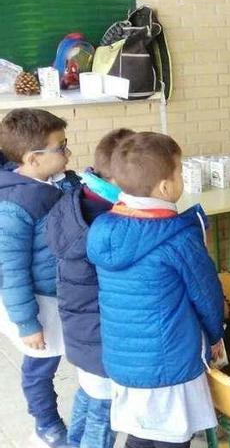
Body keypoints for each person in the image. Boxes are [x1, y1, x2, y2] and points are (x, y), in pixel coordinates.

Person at [87, 132, 225, 448]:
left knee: (140, 433)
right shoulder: (178, 238)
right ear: (165, 186)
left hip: (125, 361)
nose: (181, 179)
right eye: (179, 172)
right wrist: (216, 334)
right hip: (170, 363)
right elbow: (206, 296)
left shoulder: (104, 228)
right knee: (172, 438)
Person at [47, 128, 135, 448]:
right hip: (102, 336)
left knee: (88, 395)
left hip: (81, 330)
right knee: (103, 413)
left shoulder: (76, 200)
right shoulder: (108, 223)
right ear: (120, 181)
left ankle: (73, 443)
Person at [0, 109, 76, 448]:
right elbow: (10, 271)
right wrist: (27, 324)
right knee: (40, 367)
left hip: (62, 294)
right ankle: (46, 424)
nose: (67, 152)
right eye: (61, 147)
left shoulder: (51, 182)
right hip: (39, 302)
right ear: (33, 159)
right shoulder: (15, 205)